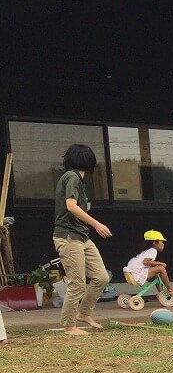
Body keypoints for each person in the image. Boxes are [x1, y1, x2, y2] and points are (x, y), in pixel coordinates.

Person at [53, 144, 112, 336]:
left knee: (101, 277)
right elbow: (71, 206)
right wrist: (97, 224)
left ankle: (83, 314)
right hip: (68, 237)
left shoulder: (78, 179)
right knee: (77, 284)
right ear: (89, 161)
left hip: (81, 236)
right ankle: (69, 326)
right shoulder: (72, 177)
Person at [124, 229, 173, 297]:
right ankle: (170, 290)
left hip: (133, 274)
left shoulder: (146, 251)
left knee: (156, 273)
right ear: (155, 242)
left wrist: (156, 264)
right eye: (162, 242)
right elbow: (145, 262)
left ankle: (162, 294)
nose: (163, 244)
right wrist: (161, 263)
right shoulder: (153, 250)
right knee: (161, 268)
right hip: (137, 275)